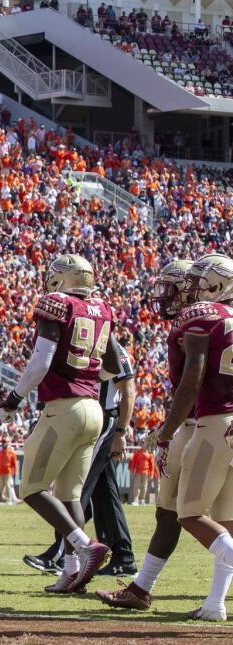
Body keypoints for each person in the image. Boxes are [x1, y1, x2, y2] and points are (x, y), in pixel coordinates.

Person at [0, 254, 122, 595]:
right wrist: (87, 374)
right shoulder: (102, 309)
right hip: (94, 409)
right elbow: (113, 365)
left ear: (62, 278)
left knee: (32, 489)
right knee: (69, 496)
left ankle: (85, 546)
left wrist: (14, 398)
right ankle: (71, 573)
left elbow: (41, 361)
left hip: (64, 409)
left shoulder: (56, 304)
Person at [126, 254, 233, 621]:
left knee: (188, 513)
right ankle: (215, 603)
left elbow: (192, 379)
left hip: (208, 423)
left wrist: (166, 431)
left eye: (196, 281)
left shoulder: (202, 317)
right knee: (226, 520)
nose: (189, 289)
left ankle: (143, 587)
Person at [23, 341, 138, 577]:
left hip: (102, 420)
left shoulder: (113, 351)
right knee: (104, 493)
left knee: (76, 490)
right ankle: (123, 557)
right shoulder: (85, 345)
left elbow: (128, 389)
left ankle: (60, 554)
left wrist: (121, 432)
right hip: (88, 418)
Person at [0, 439, 18, 504]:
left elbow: (14, 464)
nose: (3, 443)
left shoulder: (11, 453)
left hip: (8, 471)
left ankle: (9, 500)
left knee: (7, 485)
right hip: (0, 472)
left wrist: (15, 472)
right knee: (1, 486)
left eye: (4, 442)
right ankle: (5, 499)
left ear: (7, 443)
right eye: (2, 442)